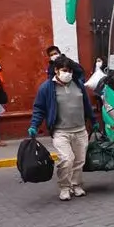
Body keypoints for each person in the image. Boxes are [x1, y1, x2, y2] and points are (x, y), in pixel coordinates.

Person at [28, 56, 98, 201]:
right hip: (61, 131)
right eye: (64, 70)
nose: (68, 74)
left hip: (80, 130)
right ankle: (64, 187)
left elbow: (86, 104)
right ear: (56, 71)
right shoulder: (47, 88)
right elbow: (39, 109)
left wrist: (93, 120)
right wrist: (34, 125)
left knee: (79, 160)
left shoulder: (78, 84)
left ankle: (76, 185)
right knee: (66, 159)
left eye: (70, 71)